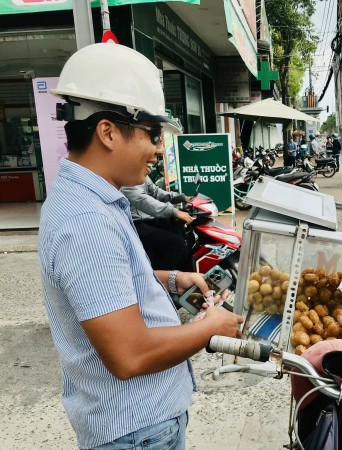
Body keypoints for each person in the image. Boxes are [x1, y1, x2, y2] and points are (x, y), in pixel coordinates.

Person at [38, 43, 243, 450]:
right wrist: (209, 329)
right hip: (137, 433)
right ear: (108, 132)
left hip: (142, 427)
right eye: (151, 133)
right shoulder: (86, 221)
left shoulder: (97, 199)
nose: (156, 149)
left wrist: (170, 279)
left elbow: (109, 282)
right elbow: (129, 355)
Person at [121, 176, 194, 272]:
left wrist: (180, 197)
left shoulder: (142, 174)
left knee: (178, 227)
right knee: (176, 244)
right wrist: (174, 212)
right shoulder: (127, 178)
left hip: (148, 219)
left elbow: (156, 192)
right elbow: (144, 201)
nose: (153, 161)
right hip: (136, 224)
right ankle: (162, 280)